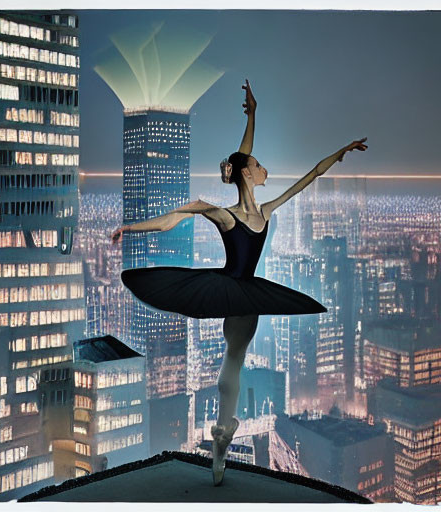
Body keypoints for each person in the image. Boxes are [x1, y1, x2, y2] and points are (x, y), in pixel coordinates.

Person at [111, 80, 367, 485]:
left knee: (235, 357)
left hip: (239, 289)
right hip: (236, 288)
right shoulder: (232, 213)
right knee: (235, 357)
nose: (265, 170)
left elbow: (311, 175)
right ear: (247, 172)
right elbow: (172, 218)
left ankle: (222, 435)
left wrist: (336, 150)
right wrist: (131, 228)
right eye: (259, 166)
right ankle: (222, 435)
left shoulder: (254, 208)